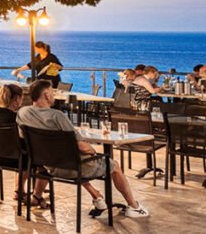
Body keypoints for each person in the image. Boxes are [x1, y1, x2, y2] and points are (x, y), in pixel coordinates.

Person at [16, 80, 148, 217]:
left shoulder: (22, 113)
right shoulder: (57, 116)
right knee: (113, 166)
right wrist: (93, 151)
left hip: (47, 166)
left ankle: (96, 198)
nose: (54, 95)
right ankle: (134, 206)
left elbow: (24, 139)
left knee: (74, 157)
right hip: (71, 167)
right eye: (52, 92)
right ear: (47, 95)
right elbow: (82, 147)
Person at [0, 84, 47, 205]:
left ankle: (19, 191)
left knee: (20, 154)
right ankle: (37, 196)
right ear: (17, 99)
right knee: (44, 161)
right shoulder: (16, 118)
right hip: (14, 159)